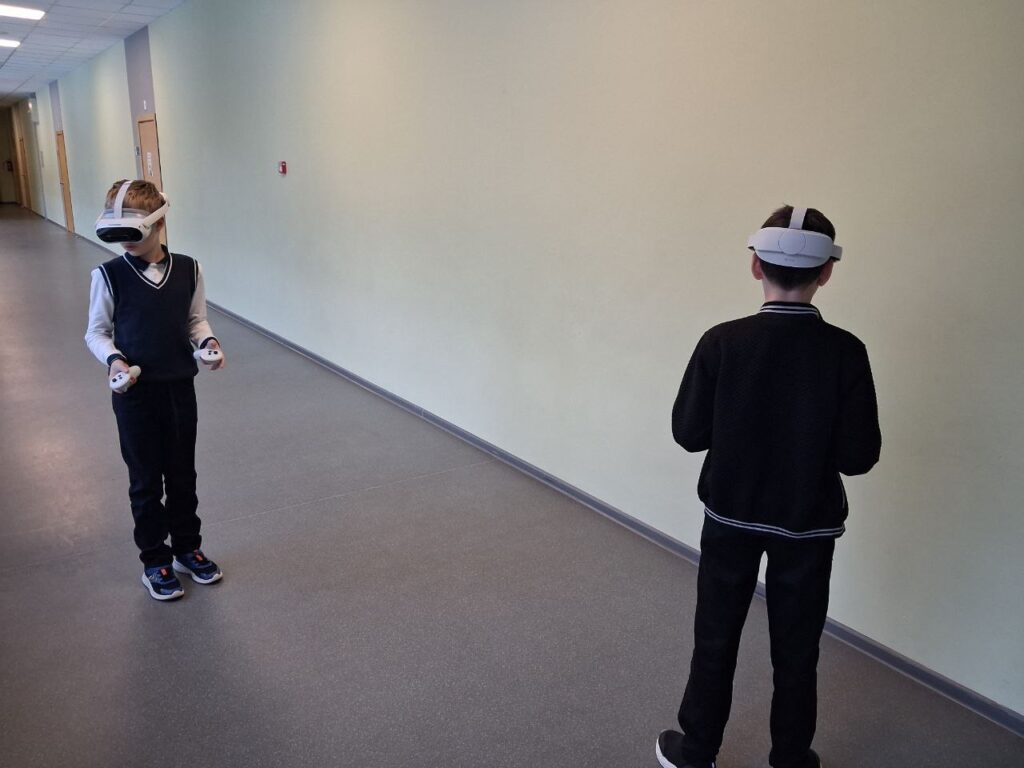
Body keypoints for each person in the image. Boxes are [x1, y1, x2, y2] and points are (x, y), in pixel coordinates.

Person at [657, 206, 881, 768]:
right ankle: (790, 758)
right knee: (798, 646)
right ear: (826, 272)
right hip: (809, 525)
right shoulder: (847, 351)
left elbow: (688, 433)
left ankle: (696, 751)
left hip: (729, 516)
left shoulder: (722, 342)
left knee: (715, 634)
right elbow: (858, 458)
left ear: (755, 265)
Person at [85, 179, 226, 601]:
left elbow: (195, 320)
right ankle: (155, 560)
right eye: (116, 234)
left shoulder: (189, 269)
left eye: (132, 232)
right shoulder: (108, 275)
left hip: (180, 389)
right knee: (146, 481)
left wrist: (207, 342)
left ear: (159, 223)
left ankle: (186, 548)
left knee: (183, 474)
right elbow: (96, 332)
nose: (124, 243)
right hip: (135, 397)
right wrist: (115, 360)